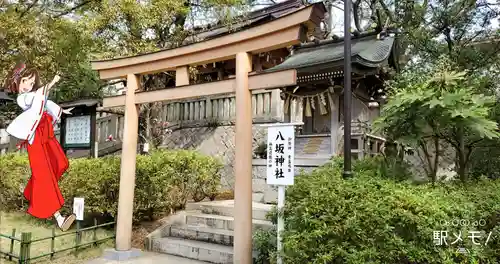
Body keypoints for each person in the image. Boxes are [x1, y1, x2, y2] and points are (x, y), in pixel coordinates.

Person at [4, 62, 76, 231]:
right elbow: (36, 98)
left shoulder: (35, 95)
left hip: (45, 135)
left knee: (61, 163)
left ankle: (31, 192)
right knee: (44, 177)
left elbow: (45, 102)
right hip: (35, 140)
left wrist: (60, 111)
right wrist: (51, 84)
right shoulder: (23, 98)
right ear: (18, 82)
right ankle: (60, 219)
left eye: (31, 82)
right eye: (25, 81)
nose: (27, 85)